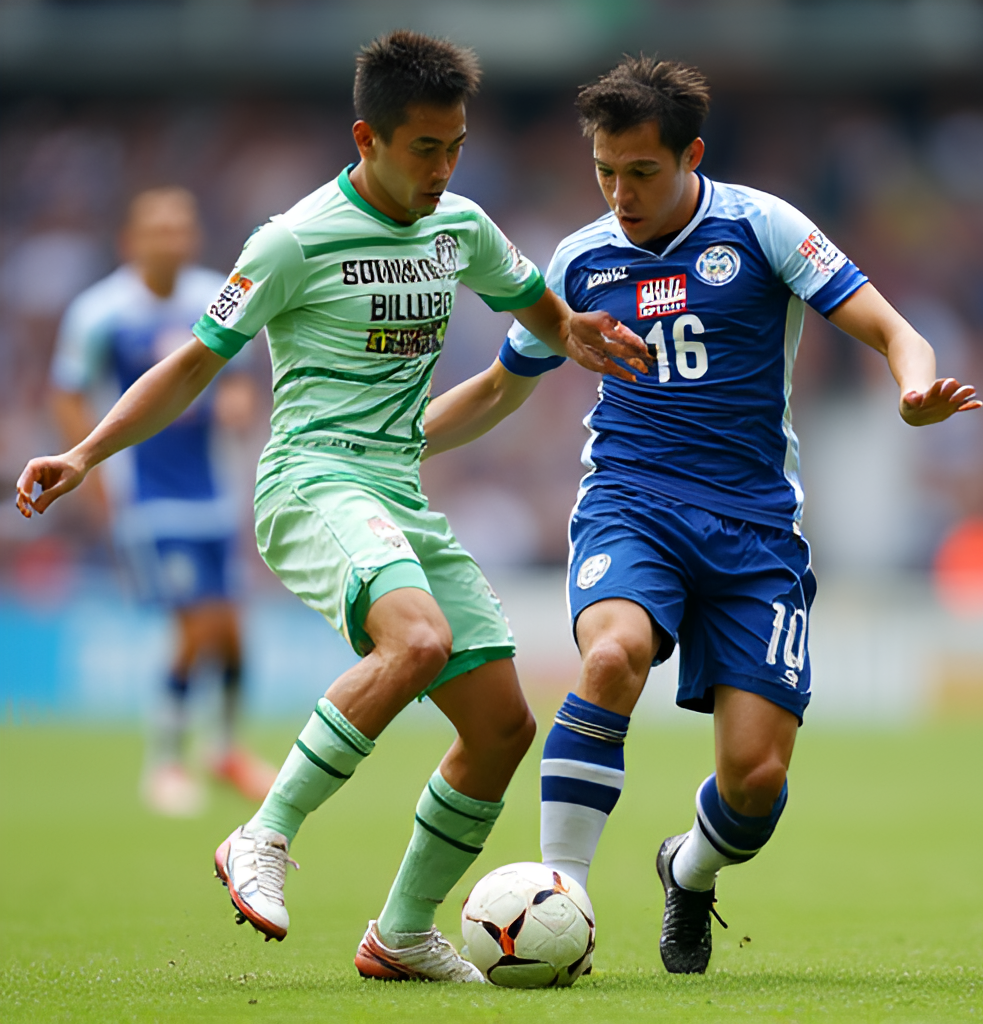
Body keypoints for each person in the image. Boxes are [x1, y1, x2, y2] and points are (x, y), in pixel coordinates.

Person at [16, 32, 648, 983]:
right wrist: (83, 451)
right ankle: (262, 835)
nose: (444, 168)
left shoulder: (462, 229)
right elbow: (192, 363)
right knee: (420, 642)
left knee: (502, 728)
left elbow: (534, 303)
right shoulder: (292, 240)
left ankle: (400, 934)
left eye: (457, 147)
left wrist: (575, 332)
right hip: (310, 481)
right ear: (368, 137)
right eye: (425, 148)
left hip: (397, 490)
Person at [422, 56, 981, 975]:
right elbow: (496, 388)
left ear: (692, 157)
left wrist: (915, 389)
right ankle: (564, 894)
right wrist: (395, 450)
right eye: (604, 171)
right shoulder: (577, 259)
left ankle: (688, 869)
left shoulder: (761, 227)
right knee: (610, 657)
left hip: (756, 528)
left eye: (641, 172)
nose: (620, 193)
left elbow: (894, 328)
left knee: (756, 783)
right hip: (630, 504)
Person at [49, 187, 275, 816]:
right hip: (147, 496)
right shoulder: (100, 312)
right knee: (196, 625)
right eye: (158, 229)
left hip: (215, 493)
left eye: (181, 227)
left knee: (231, 633)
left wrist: (239, 401)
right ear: (131, 240)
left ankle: (226, 749)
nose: (171, 239)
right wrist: (93, 474)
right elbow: (66, 393)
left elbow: (241, 373)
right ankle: (167, 762)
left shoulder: (216, 292)